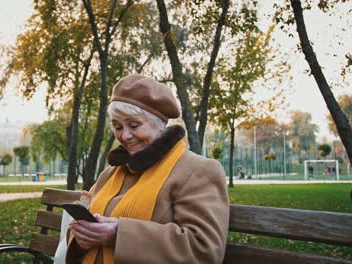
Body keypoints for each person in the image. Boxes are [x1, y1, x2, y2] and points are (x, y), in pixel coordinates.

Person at [66, 74, 230, 263]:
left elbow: (204, 249)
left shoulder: (199, 170)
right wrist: (82, 237)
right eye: (118, 127)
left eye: (134, 125)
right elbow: (76, 231)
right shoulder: (110, 174)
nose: (125, 135)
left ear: (161, 124)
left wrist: (119, 235)